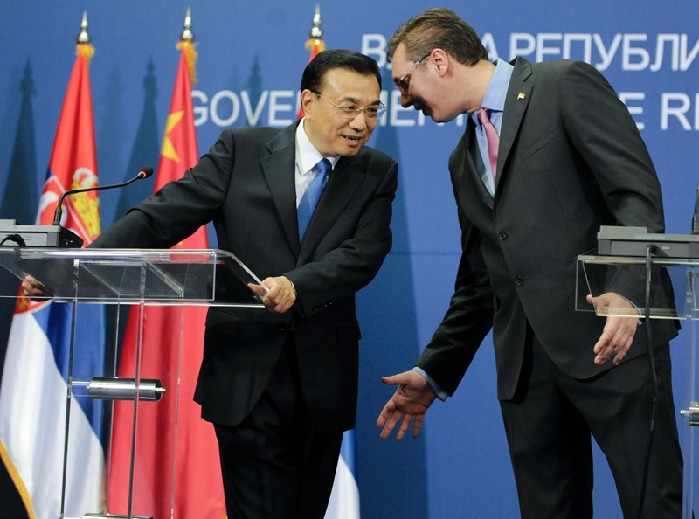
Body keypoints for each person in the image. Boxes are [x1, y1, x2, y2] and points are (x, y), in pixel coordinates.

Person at [376, 8, 684, 519]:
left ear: (440, 61)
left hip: (612, 341)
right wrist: (434, 371)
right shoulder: (461, 162)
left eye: (404, 83)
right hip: (528, 374)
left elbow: (635, 194)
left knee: (653, 504)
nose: (405, 100)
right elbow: (479, 283)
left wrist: (629, 292)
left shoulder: (561, 85)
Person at [78, 49, 396, 519]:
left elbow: (363, 254)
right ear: (308, 102)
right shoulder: (242, 150)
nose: (361, 123)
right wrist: (85, 263)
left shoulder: (376, 171)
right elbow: (164, 216)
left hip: (321, 380)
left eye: (372, 110)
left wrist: (297, 285)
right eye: (349, 107)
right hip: (245, 372)